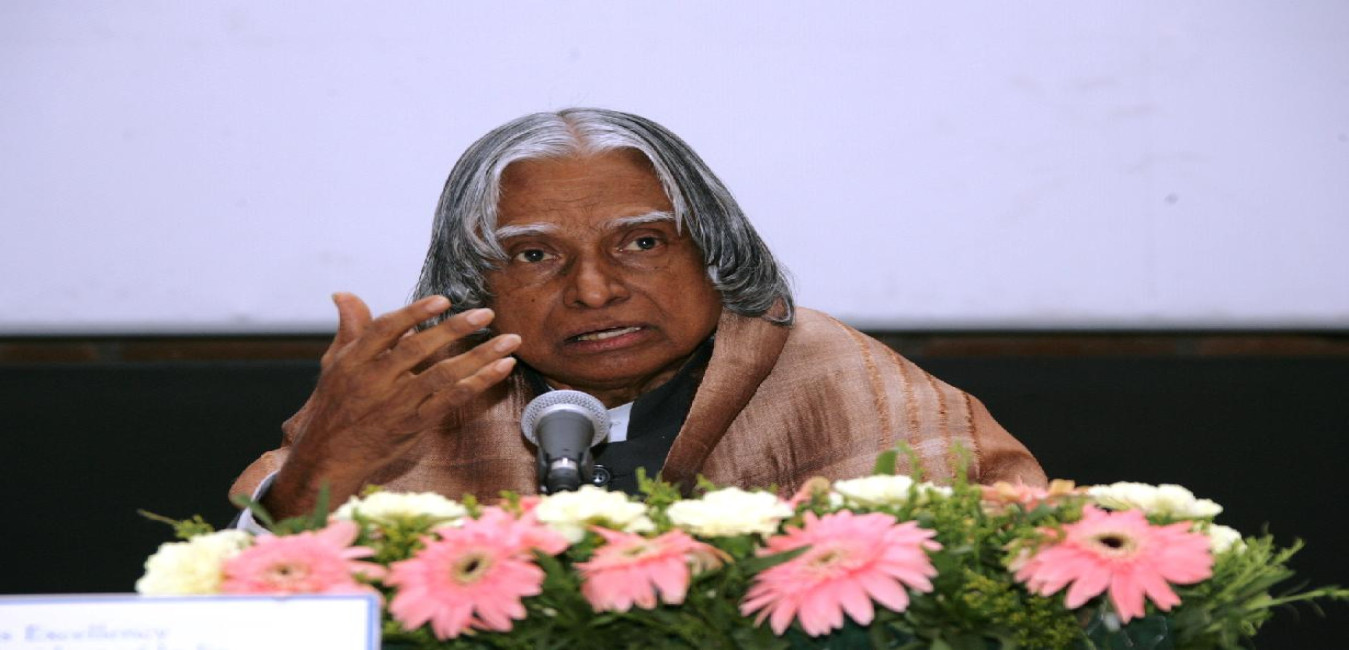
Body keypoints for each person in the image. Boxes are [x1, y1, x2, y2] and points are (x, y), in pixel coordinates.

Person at [231, 108, 1045, 520]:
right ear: (476, 284)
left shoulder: (834, 376)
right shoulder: (422, 397)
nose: (594, 291)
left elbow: (1018, 569)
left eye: (643, 243)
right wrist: (317, 476)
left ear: (714, 252)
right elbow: (242, 606)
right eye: (534, 255)